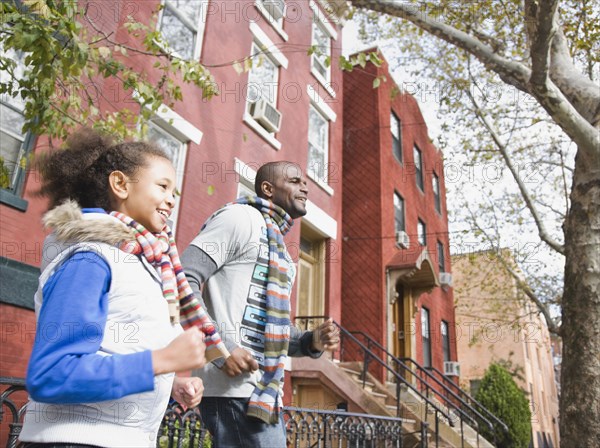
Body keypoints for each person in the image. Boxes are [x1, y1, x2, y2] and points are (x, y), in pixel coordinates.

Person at [19, 129, 225, 447]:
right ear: (120, 185)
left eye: (175, 192)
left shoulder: (148, 265)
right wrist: (162, 361)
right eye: (163, 186)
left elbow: (114, 343)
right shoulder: (89, 259)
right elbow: (52, 373)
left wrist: (169, 383)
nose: (172, 199)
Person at [181, 161, 340, 447]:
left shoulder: (278, 248)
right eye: (294, 181)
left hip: (263, 393)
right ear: (268, 188)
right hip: (232, 389)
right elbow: (183, 279)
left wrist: (311, 341)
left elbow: (271, 331)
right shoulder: (239, 219)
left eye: (304, 182)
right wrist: (220, 349)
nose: (305, 187)